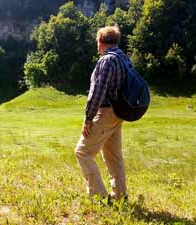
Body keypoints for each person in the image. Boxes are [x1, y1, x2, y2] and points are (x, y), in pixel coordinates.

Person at [74, 26, 129, 201]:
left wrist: (88, 119)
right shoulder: (123, 58)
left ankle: (99, 197)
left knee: (82, 152)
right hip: (119, 112)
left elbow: (97, 91)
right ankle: (120, 195)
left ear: (100, 42)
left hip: (105, 112)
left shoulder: (107, 60)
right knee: (113, 155)